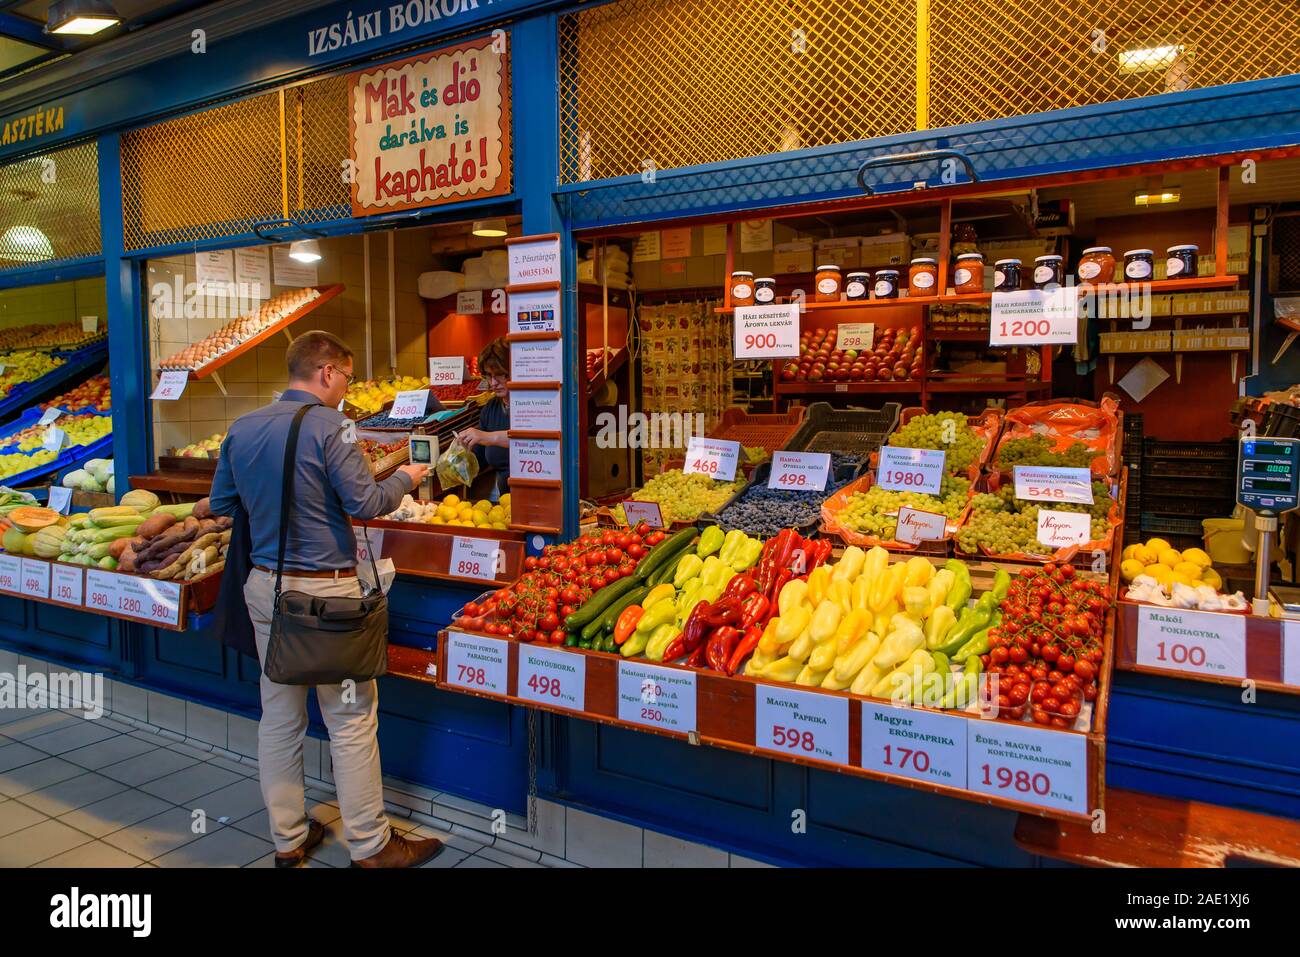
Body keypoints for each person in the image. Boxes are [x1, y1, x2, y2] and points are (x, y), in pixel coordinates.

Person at [209, 330, 442, 869]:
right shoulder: (333, 425)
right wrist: (406, 476)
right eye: (347, 378)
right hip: (327, 596)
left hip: (267, 588)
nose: (346, 390)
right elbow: (365, 501)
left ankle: (289, 840)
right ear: (328, 373)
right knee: (351, 718)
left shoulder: (242, 426)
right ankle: (371, 845)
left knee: (279, 718)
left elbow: (222, 503)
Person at [459, 337, 511, 495]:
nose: (493, 382)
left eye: (500, 375)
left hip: (537, 496)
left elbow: (530, 441)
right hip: (505, 501)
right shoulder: (491, 409)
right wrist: (461, 457)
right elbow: (479, 460)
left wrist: (487, 437)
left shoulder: (535, 406)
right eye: (488, 376)